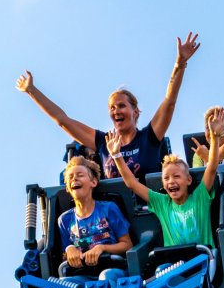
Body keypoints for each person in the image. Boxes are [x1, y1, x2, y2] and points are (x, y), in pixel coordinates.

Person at [16, 32, 201, 181]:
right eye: (112, 108)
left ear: (135, 112)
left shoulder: (149, 137)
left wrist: (180, 63)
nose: (116, 111)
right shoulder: (102, 142)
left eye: (121, 106)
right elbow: (62, 120)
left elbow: (169, 102)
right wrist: (31, 90)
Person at [108, 108, 224, 248]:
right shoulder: (162, 203)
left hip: (203, 259)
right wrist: (116, 155)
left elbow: (212, 167)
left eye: (176, 176)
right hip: (174, 262)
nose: (171, 181)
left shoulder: (199, 196)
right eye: (166, 178)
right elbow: (131, 183)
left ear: (188, 180)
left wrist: (214, 138)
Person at [58, 156, 132, 286]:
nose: (74, 178)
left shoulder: (108, 209)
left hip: (113, 270)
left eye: (80, 175)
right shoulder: (65, 220)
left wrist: (101, 248)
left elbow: (127, 245)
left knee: (106, 277)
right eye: (70, 177)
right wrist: (70, 250)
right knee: (63, 284)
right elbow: (66, 253)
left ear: (93, 182)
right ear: (67, 188)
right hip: (83, 274)